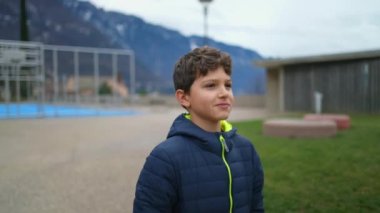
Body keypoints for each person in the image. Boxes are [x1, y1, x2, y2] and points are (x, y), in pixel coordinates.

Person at [133, 46, 264, 213]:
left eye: (228, 85)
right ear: (184, 97)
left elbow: (256, 207)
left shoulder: (247, 151)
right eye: (211, 85)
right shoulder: (164, 159)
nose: (224, 93)